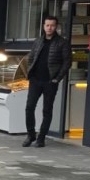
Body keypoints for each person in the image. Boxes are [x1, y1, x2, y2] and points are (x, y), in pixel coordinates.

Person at [22, 16, 71, 148]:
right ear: (43, 26)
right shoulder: (38, 41)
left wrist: (57, 79)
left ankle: (41, 138)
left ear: (56, 27)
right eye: (47, 25)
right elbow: (31, 57)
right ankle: (31, 134)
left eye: (52, 25)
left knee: (47, 110)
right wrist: (30, 74)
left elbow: (67, 62)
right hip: (35, 80)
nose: (49, 28)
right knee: (29, 107)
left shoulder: (62, 43)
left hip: (50, 81)